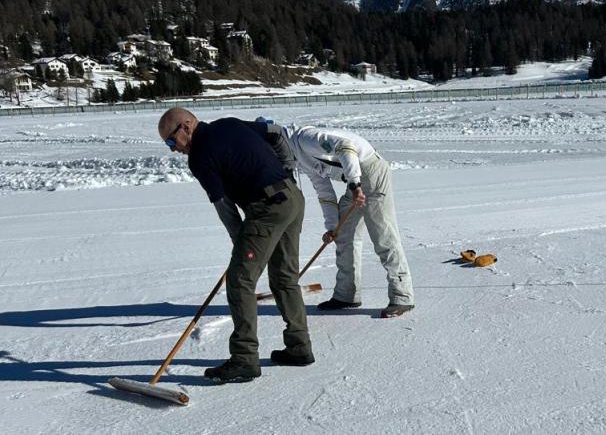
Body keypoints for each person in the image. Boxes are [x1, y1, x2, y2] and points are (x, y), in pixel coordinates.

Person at [158, 107, 313, 383]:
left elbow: (224, 205)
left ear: (185, 126)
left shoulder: (199, 156)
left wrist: (239, 241)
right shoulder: (229, 123)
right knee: (285, 277)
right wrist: (287, 171)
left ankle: (244, 359)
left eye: (171, 142)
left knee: (240, 280)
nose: (173, 150)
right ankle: (299, 347)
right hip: (293, 199)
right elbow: (276, 132)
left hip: (267, 208)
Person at [281, 123, 415, 318]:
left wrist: (354, 184)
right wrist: (332, 227)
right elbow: (323, 190)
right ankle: (347, 294)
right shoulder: (299, 157)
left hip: (372, 173)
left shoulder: (305, 138)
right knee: (344, 236)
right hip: (355, 183)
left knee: (383, 237)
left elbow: (346, 147)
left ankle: (403, 296)